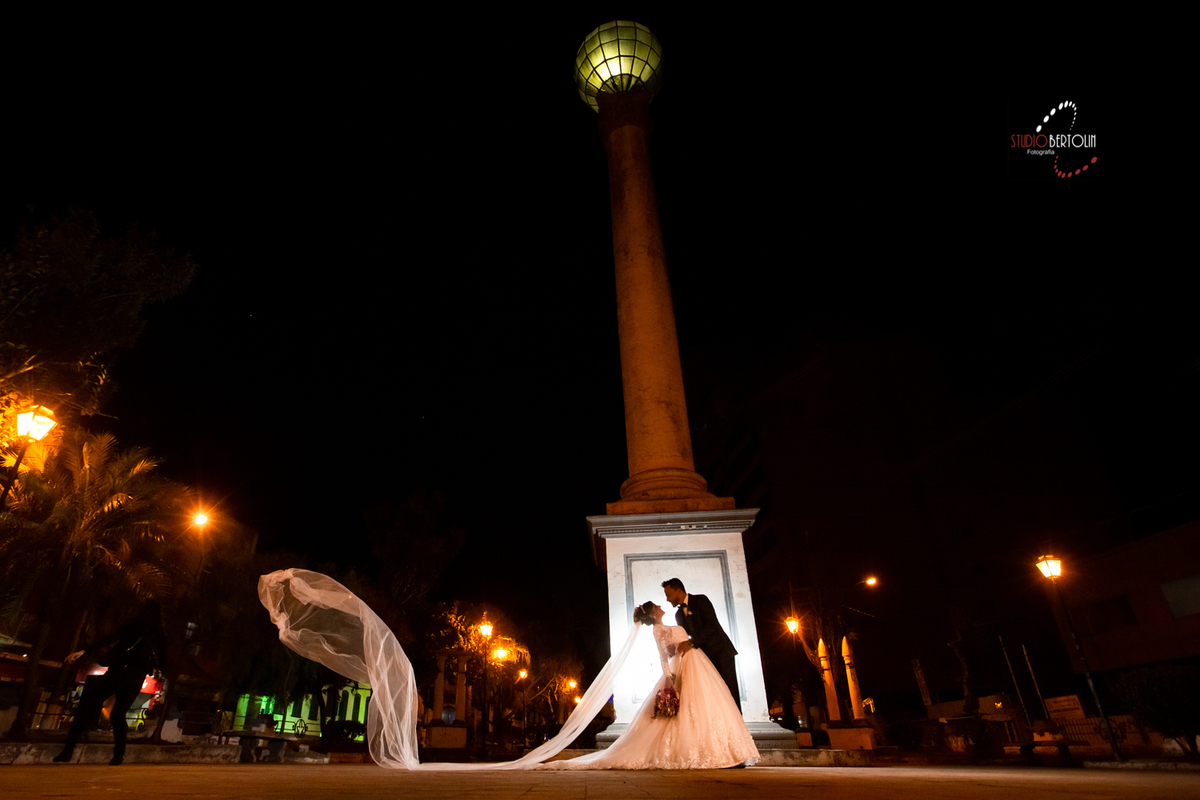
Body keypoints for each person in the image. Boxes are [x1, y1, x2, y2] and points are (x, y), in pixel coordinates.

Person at [539, 601, 758, 770]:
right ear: (653, 614)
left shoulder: (671, 623)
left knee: (705, 706)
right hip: (683, 668)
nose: (662, 606)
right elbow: (663, 655)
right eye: (657, 606)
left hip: (697, 665)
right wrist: (670, 677)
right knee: (684, 711)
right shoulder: (658, 630)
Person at [53, 601, 167, 766]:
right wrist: (159, 671)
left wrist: (85, 650)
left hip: (121, 670)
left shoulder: (134, 624)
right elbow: (164, 656)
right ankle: (118, 755)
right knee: (119, 713)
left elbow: (110, 638)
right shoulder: (158, 632)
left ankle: (68, 750)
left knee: (88, 706)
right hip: (138, 676)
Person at [661, 578, 741, 712]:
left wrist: (692, 642)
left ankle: (740, 726)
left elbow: (712, 625)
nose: (667, 599)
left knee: (729, 690)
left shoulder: (701, 600)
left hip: (721, 652)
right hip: (705, 658)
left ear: (678, 591)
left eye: (668, 595)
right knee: (715, 693)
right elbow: (684, 636)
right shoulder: (679, 615)